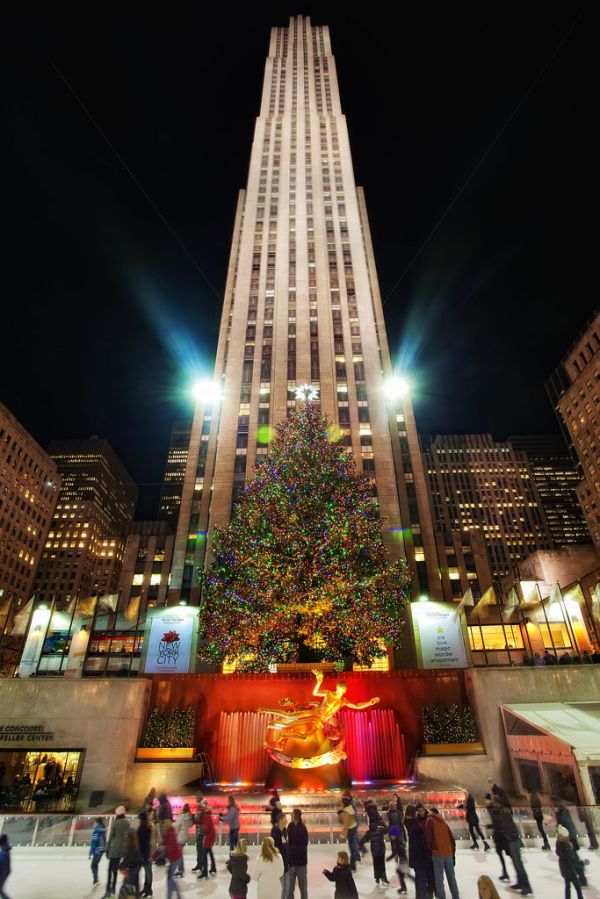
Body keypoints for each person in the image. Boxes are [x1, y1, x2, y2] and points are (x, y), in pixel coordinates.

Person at [487, 796, 532, 895]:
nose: (493, 804)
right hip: (510, 839)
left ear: (497, 803)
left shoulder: (504, 812)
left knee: (518, 863)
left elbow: (506, 826)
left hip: (512, 840)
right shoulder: (502, 811)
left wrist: (507, 835)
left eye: (494, 802)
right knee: (516, 863)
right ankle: (520, 882)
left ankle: (527, 886)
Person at [424, 808, 459, 899]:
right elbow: (451, 838)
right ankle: (456, 896)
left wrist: (429, 850)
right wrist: (452, 852)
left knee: (439, 879)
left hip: (437, 852)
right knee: (451, 877)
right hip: (448, 852)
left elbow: (428, 837)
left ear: (432, 812)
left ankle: (441, 897)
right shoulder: (444, 822)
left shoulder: (430, 820)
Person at [405, 804, 433, 899]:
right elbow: (421, 839)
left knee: (418, 878)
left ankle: (419, 896)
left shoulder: (407, 823)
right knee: (422, 879)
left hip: (414, 855)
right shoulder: (415, 824)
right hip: (421, 856)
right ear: (414, 813)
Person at [104, 805, 130, 898]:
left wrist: (107, 849)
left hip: (114, 849)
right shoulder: (127, 822)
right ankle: (114, 889)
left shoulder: (115, 823)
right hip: (123, 850)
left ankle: (108, 890)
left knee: (110, 870)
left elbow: (111, 836)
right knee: (115, 870)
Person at [556, 824, 584, 899]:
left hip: (565, 869)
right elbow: (571, 858)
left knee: (568, 886)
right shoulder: (565, 845)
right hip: (570, 869)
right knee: (577, 886)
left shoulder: (559, 843)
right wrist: (580, 863)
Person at [287, 807, 309, 899]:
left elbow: (303, 847)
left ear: (296, 816)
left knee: (303, 888)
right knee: (289, 889)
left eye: (292, 814)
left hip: (300, 864)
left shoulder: (303, 828)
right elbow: (288, 842)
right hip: (291, 863)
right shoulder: (290, 826)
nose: (291, 815)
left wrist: (293, 852)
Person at [362, 820, 389, 887]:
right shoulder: (380, 830)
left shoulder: (369, 832)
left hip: (374, 851)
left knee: (376, 864)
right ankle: (384, 878)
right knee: (382, 865)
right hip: (381, 850)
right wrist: (383, 823)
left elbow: (363, 840)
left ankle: (377, 878)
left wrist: (360, 846)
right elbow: (387, 830)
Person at [197, 799, 217, 879]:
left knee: (204, 854)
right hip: (210, 835)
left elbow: (206, 827)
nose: (198, 811)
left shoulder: (206, 815)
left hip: (209, 836)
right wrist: (194, 820)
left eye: (199, 809)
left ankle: (205, 872)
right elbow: (200, 822)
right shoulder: (205, 815)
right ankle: (213, 868)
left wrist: (203, 830)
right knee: (209, 851)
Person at [340, 796, 360, 871]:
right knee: (353, 846)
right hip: (354, 827)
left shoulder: (346, 811)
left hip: (350, 829)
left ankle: (352, 866)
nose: (340, 804)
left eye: (341, 802)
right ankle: (353, 863)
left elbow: (346, 824)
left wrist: (343, 835)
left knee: (352, 847)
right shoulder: (350, 808)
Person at [163, 821, 182, 899]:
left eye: (165, 825)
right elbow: (163, 845)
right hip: (173, 859)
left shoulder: (171, 834)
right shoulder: (167, 834)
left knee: (170, 880)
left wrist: (165, 850)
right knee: (170, 879)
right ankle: (178, 895)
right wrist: (153, 857)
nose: (163, 827)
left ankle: (170, 897)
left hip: (175, 859)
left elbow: (170, 848)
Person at [272, 812, 289, 899]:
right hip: (279, 864)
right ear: (280, 820)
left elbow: (285, 845)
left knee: (287, 888)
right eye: (285, 819)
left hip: (286, 863)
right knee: (281, 888)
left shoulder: (285, 831)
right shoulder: (275, 832)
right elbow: (276, 848)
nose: (287, 821)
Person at [137, 811, 153, 898]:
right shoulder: (147, 827)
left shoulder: (143, 829)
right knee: (147, 872)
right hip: (146, 853)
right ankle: (146, 889)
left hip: (145, 854)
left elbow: (142, 842)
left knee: (148, 873)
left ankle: (148, 890)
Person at [174, 802, 193, 875]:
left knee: (179, 854)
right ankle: (181, 869)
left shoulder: (182, 816)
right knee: (180, 853)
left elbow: (176, 824)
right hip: (185, 836)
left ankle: (180, 870)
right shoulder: (189, 816)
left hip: (180, 837)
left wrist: (169, 824)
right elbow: (191, 825)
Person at [89, 816, 107, 887]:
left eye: (94, 822)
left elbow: (94, 842)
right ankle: (96, 879)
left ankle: (96, 880)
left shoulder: (96, 831)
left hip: (97, 851)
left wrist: (91, 852)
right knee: (95, 864)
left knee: (93, 865)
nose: (93, 824)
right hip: (101, 850)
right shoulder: (102, 830)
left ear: (96, 823)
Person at [0, 834, 11, 899]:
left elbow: (1, 860)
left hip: (3, 872)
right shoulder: (6, 849)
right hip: (5, 871)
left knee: (0, 890)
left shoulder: (4, 851)